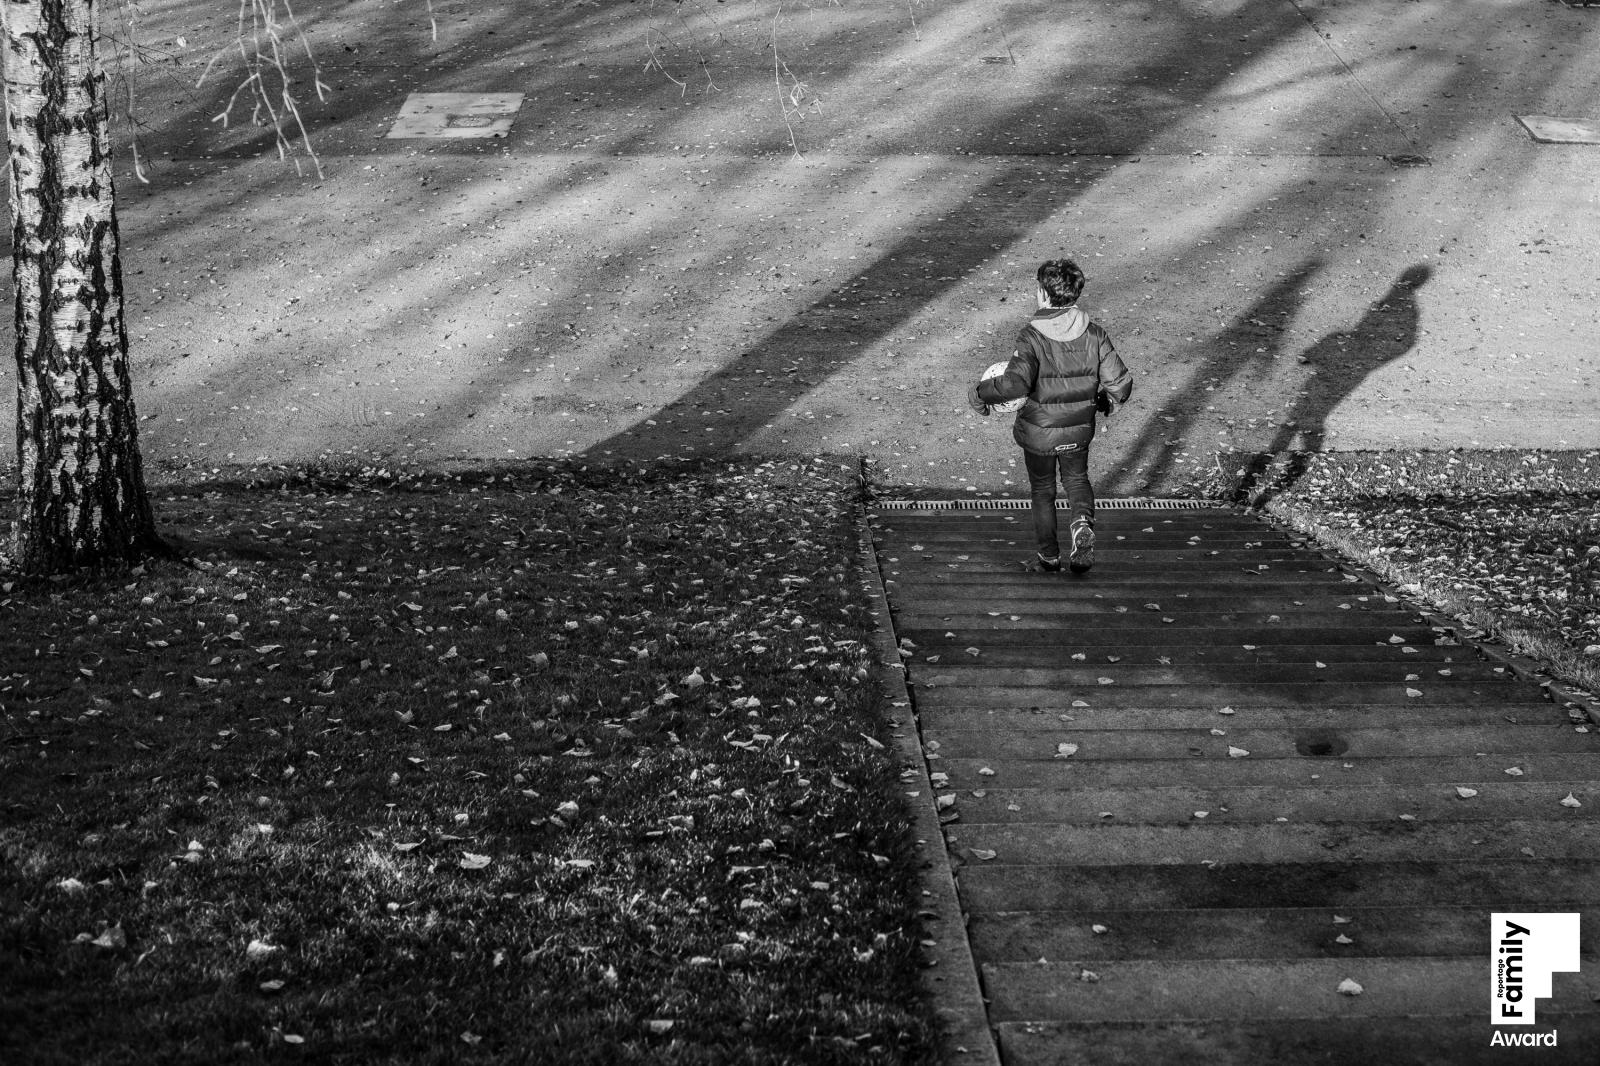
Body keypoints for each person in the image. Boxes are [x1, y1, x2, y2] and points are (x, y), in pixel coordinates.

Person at [967, 259, 1132, 573]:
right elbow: (1120, 385)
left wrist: (980, 393)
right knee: (1077, 480)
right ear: (1074, 294)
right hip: (1077, 430)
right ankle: (1082, 524)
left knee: (1043, 490)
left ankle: (1048, 557)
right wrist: (1105, 402)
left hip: (1039, 433)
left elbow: (1015, 384)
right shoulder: (1094, 334)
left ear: (1043, 293)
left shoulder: (1032, 336)